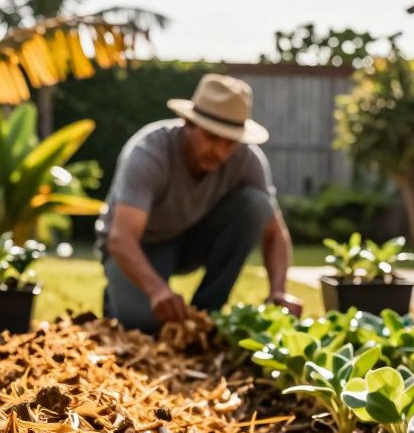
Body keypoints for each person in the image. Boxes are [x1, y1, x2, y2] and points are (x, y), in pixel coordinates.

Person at [98, 73, 301, 332]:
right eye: (211, 137)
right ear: (188, 124)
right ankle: (117, 297)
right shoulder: (149, 152)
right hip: (140, 246)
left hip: (190, 239)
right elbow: (121, 238)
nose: (220, 151)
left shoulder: (247, 159)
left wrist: (278, 291)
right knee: (145, 325)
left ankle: (207, 313)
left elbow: (275, 232)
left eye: (230, 142)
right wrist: (157, 290)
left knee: (256, 204)